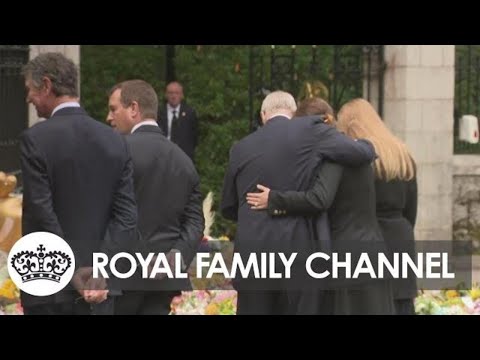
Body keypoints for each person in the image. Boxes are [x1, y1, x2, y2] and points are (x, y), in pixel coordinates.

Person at [221, 91, 377, 315]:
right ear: (294, 113)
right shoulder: (311, 131)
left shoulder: (240, 148)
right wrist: (368, 144)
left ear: (263, 115)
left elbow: (229, 206)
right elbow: (360, 153)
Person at [20, 52, 138, 315]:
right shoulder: (115, 141)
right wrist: (100, 269)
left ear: (47, 85)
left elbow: (42, 213)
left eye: (30, 90)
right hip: (100, 288)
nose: (28, 98)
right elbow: (127, 217)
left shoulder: (36, 139)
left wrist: (71, 271)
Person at [107, 79, 204, 315]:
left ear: (133, 109)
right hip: (164, 280)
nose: (109, 118)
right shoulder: (183, 159)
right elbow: (195, 222)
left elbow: (100, 212)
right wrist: (176, 256)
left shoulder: (114, 151)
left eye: (113, 109)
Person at [337, 99, 418, 315]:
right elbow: (411, 208)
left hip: (368, 236)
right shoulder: (402, 153)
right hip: (400, 235)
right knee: (401, 303)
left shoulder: (358, 157)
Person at [157, 81, 198, 161]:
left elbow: (194, 136)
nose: (173, 96)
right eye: (170, 93)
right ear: (166, 95)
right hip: (163, 155)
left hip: (184, 156)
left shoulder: (190, 113)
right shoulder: (159, 113)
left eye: (177, 93)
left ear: (182, 95)